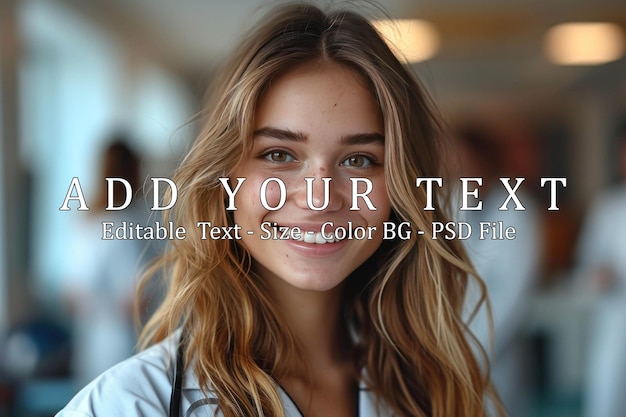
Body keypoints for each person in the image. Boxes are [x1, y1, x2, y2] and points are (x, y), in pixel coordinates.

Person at [56, 3, 502, 417]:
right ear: (224, 177)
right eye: (278, 155)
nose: (319, 196)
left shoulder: (440, 389)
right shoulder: (127, 404)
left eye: (359, 160)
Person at [62, 138, 153, 386]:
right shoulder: (101, 224)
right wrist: (118, 307)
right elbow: (74, 295)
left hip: (132, 342)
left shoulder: (139, 217)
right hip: (111, 345)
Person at [577, 130, 626, 417]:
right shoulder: (607, 206)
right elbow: (586, 264)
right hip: (614, 325)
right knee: (610, 400)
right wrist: (597, 276)